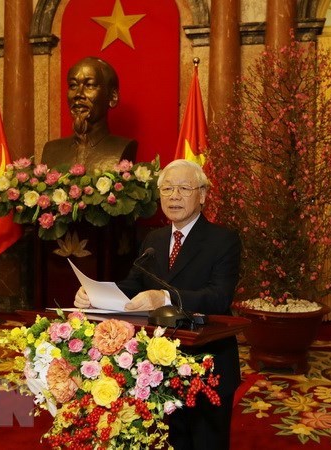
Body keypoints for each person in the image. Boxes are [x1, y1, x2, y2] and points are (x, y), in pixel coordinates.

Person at [74, 159, 242, 450]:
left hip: (207, 363)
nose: (174, 195)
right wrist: (95, 294)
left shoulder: (223, 239)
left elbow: (219, 297)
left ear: (201, 195)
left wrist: (164, 298)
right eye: (167, 188)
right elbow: (134, 285)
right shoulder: (155, 238)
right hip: (157, 367)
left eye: (183, 188)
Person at [41, 56, 137, 170]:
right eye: (73, 85)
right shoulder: (51, 150)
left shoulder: (122, 147)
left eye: (89, 85)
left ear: (112, 97)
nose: (78, 94)